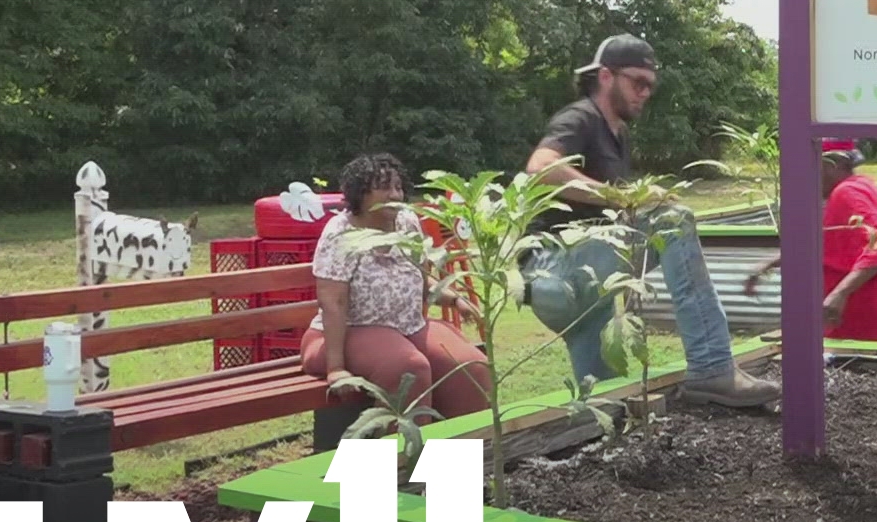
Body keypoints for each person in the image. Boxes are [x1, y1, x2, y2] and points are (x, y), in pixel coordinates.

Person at [521, 34, 782, 408]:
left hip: (584, 288)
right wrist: (626, 197)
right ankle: (712, 367)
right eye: (637, 82)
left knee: (607, 410)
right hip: (553, 269)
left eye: (650, 86)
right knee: (674, 222)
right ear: (606, 76)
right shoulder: (580, 118)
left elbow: (613, 220)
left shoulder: (618, 135)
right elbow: (540, 169)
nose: (645, 93)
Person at [300, 152, 493, 417]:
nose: (394, 195)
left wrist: (455, 299)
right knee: (408, 370)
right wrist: (336, 368)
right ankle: (402, 458)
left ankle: (450, 459)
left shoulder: (407, 222)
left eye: (398, 187)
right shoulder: (340, 233)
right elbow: (333, 302)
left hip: (408, 328)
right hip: (347, 332)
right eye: (383, 188)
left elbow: (420, 276)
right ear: (360, 194)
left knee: (471, 367)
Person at [745, 139, 877, 343]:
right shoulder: (862, 184)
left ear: (830, 166)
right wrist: (769, 264)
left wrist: (839, 294)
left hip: (868, 307)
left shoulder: (847, 193)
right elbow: (829, 245)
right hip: (868, 303)